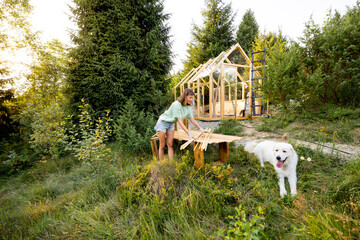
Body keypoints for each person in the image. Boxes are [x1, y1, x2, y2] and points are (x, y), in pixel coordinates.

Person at [154, 88, 207, 160]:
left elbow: (193, 120)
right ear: (185, 96)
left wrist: (201, 129)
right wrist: (188, 133)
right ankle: (160, 163)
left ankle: (171, 162)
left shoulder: (188, 108)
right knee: (162, 145)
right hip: (163, 122)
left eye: (192, 98)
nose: (191, 100)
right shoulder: (177, 104)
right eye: (190, 98)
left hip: (171, 123)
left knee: (170, 145)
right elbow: (180, 122)